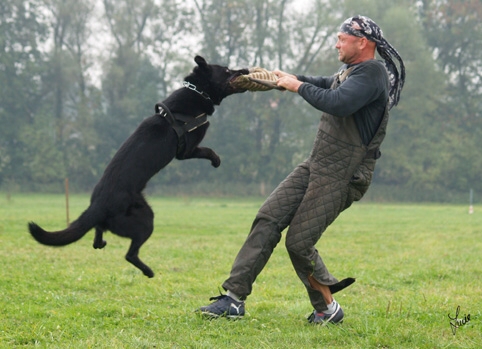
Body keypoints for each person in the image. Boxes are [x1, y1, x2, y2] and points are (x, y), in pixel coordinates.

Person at [197, 15, 405, 324]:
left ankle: (328, 309)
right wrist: (290, 78)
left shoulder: (372, 74)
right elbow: (326, 84)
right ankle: (233, 299)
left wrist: (296, 87)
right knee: (268, 217)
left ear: (363, 42)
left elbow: (338, 102)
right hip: (317, 164)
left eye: (342, 39)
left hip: (342, 175)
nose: (336, 43)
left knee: (299, 243)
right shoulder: (352, 71)